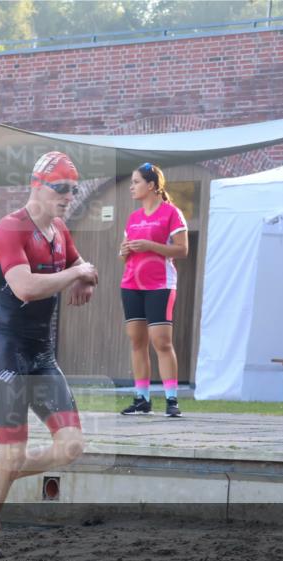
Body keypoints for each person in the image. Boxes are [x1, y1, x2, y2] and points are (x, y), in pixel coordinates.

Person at [0, 151, 98, 559]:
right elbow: (25, 288)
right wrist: (75, 275)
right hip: (9, 355)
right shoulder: (11, 229)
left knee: (71, 446)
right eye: (60, 188)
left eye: (73, 189)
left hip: (42, 355)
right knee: (12, 453)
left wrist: (87, 278)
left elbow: (86, 266)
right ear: (37, 186)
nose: (68, 196)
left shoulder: (60, 231)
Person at [119, 162, 189, 418]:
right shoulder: (133, 218)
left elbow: (182, 250)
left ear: (151, 185)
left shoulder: (171, 213)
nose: (132, 187)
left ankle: (171, 399)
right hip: (130, 284)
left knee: (161, 341)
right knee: (137, 342)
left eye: (136, 182)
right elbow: (123, 253)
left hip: (160, 285)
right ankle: (142, 399)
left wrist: (151, 245)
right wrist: (124, 251)